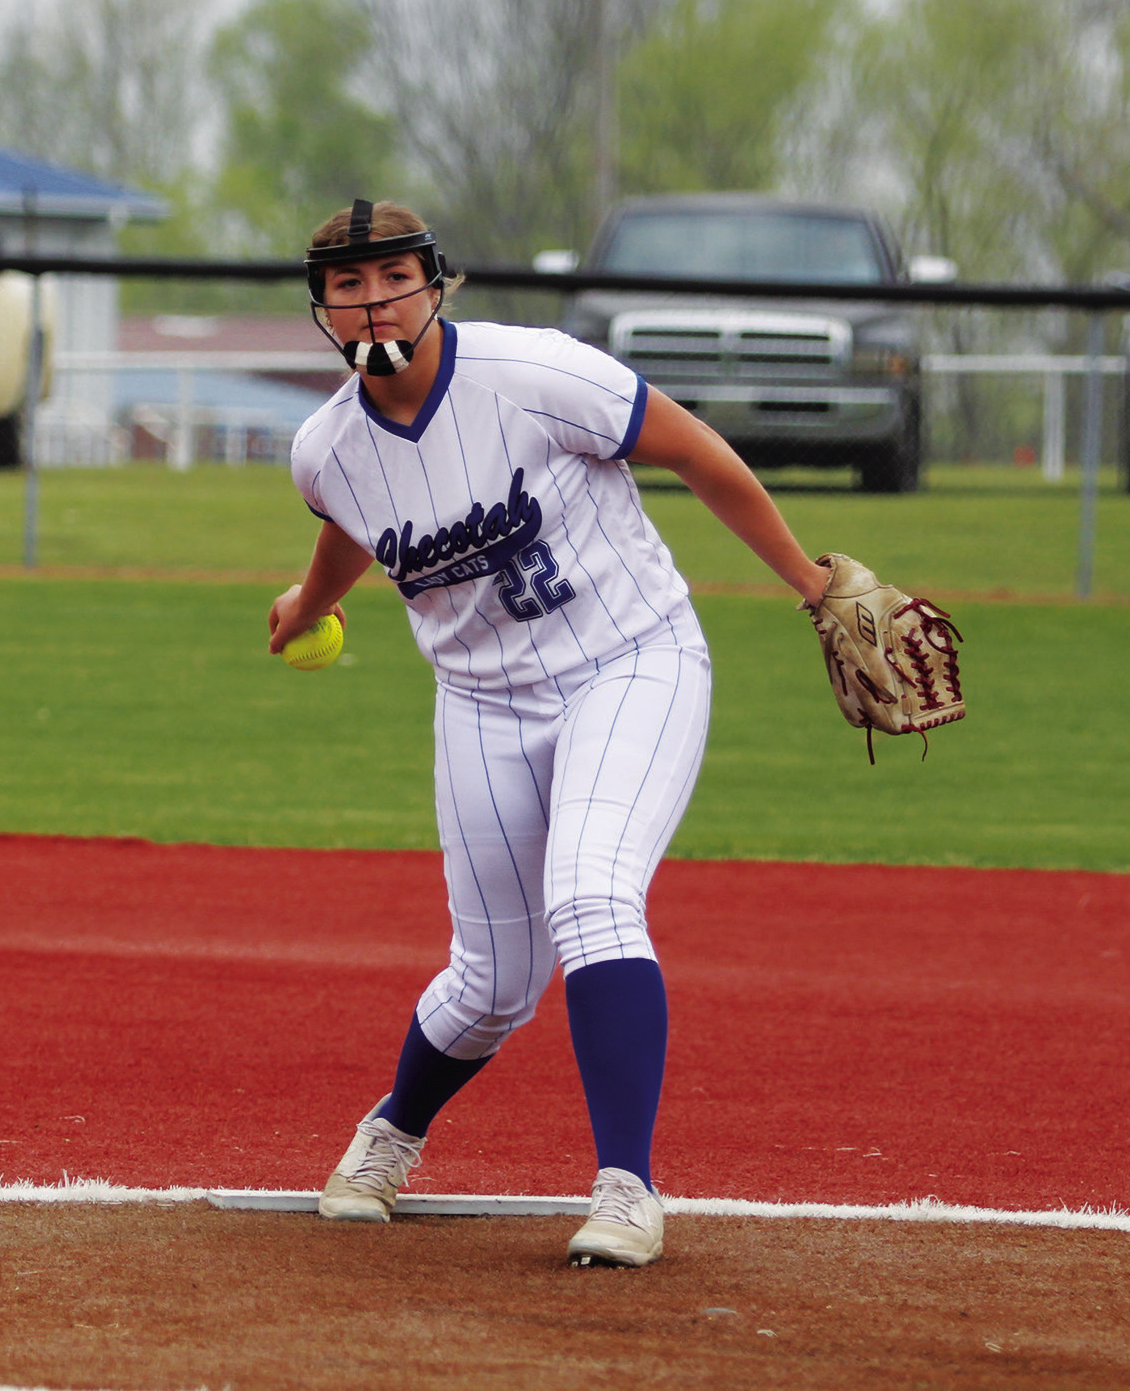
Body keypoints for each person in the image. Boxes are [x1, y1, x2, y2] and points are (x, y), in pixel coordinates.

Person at [268, 199, 833, 1267]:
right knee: (489, 982)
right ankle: (392, 1131)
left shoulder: (536, 373)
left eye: (393, 274)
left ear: (436, 284)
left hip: (632, 659)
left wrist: (808, 582)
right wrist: (306, 606)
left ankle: (627, 1189)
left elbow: (696, 449)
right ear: (322, 309)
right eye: (349, 284)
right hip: (481, 703)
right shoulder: (325, 448)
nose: (373, 297)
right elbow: (355, 531)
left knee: (592, 891)